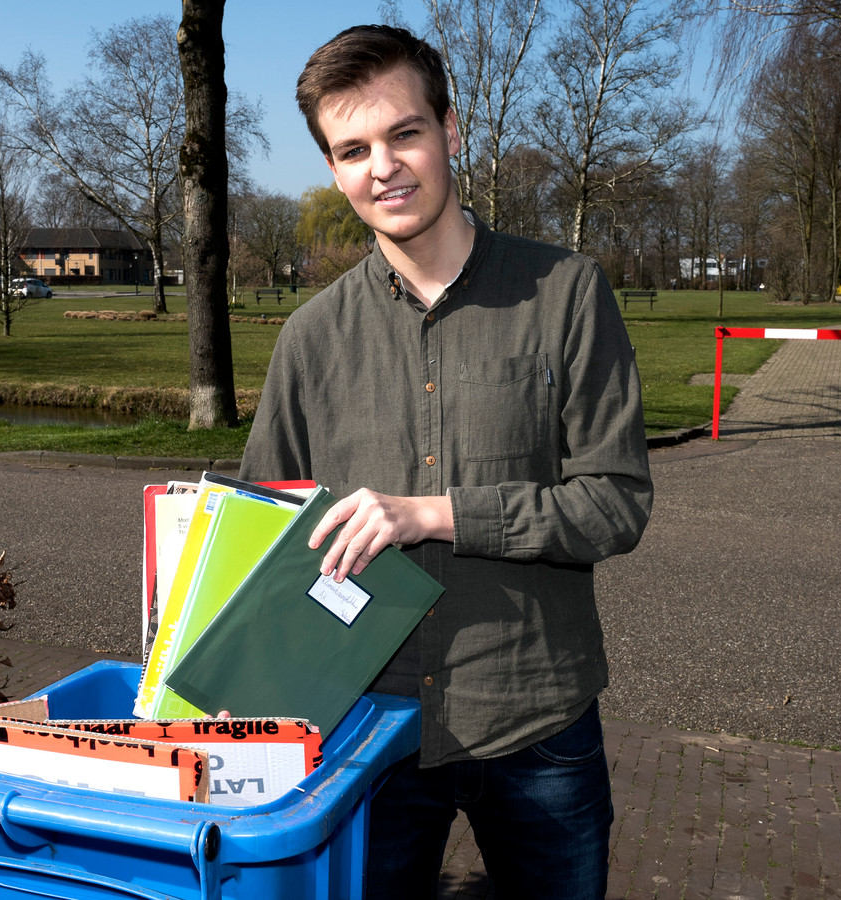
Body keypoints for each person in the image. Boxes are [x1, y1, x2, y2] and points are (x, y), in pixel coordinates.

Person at [237, 24, 653, 900]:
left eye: (404, 133)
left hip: (538, 718)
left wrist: (433, 513)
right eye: (352, 149)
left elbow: (615, 503)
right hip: (366, 734)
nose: (382, 166)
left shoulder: (568, 292)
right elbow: (261, 529)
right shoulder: (311, 338)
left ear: (451, 131)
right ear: (333, 171)